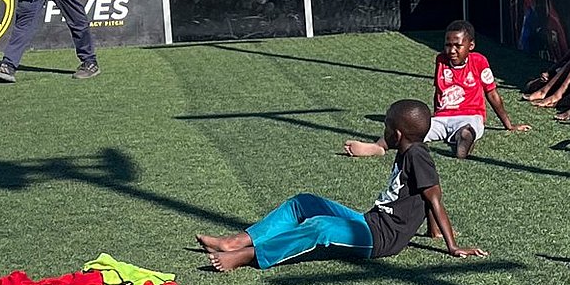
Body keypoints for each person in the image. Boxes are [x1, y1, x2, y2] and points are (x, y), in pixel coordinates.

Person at [200, 100, 486, 271]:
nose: (383, 130)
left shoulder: (417, 154)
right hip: (370, 220)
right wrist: (431, 231)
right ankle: (237, 240)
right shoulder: (406, 149)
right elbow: (422, 196)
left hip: (381, 238)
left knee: (321, 227)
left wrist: (453, 246)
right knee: (304, 202)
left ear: (397, 133)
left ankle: (249, 255)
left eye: (386, 125)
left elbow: (434, 197)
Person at [345, 21, 529, 160]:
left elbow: (492, 94)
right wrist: (432, 117)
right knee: (409, 130)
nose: (452, 50)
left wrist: (508, 124)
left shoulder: (479, 61)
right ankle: (377, 146)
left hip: (470, 116)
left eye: (458, 45)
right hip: (442, 118)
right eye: (448, 45)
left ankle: (464, 142)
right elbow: (438, 91)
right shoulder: (440, 60)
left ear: (470, 46)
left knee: (468, 129)